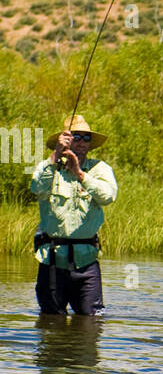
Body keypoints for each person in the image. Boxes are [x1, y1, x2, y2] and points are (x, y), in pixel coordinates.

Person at [29, 114, 118, 316]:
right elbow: (37, 186)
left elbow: (108, 196)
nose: (82, 142)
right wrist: (55, 155)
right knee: (51, 324)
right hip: (52, 261)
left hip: (87, 263)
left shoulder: (99, 169)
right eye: (76, 137)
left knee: (92, 323)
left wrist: (80, 174)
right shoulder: (49, 169)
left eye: (86, 138)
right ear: (65, 140)